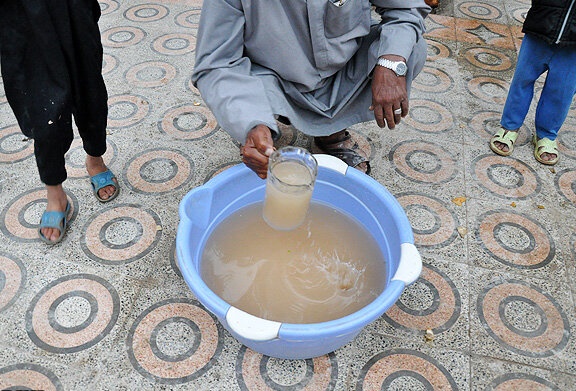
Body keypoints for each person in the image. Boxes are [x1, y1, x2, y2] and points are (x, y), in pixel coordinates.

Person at [191, 0, 430, 178]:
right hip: (276, 82)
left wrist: (390, 65)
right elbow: (217, 63)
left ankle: (330, 133)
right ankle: (263, 126)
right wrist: (250, 122)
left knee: (410, 49)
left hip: (342, 74)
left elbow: (406, 8)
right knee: (245, 106)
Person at [0, 0, 119, 244]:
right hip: (21, 17)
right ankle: (55, 194)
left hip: (72, 7)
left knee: (90, 93)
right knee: (44, 113)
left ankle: (95, 159)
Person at [489, 0, 576, 166]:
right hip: (542, 23)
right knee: (523, 79)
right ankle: (509, 125)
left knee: (562, 91)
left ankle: (547, 134)